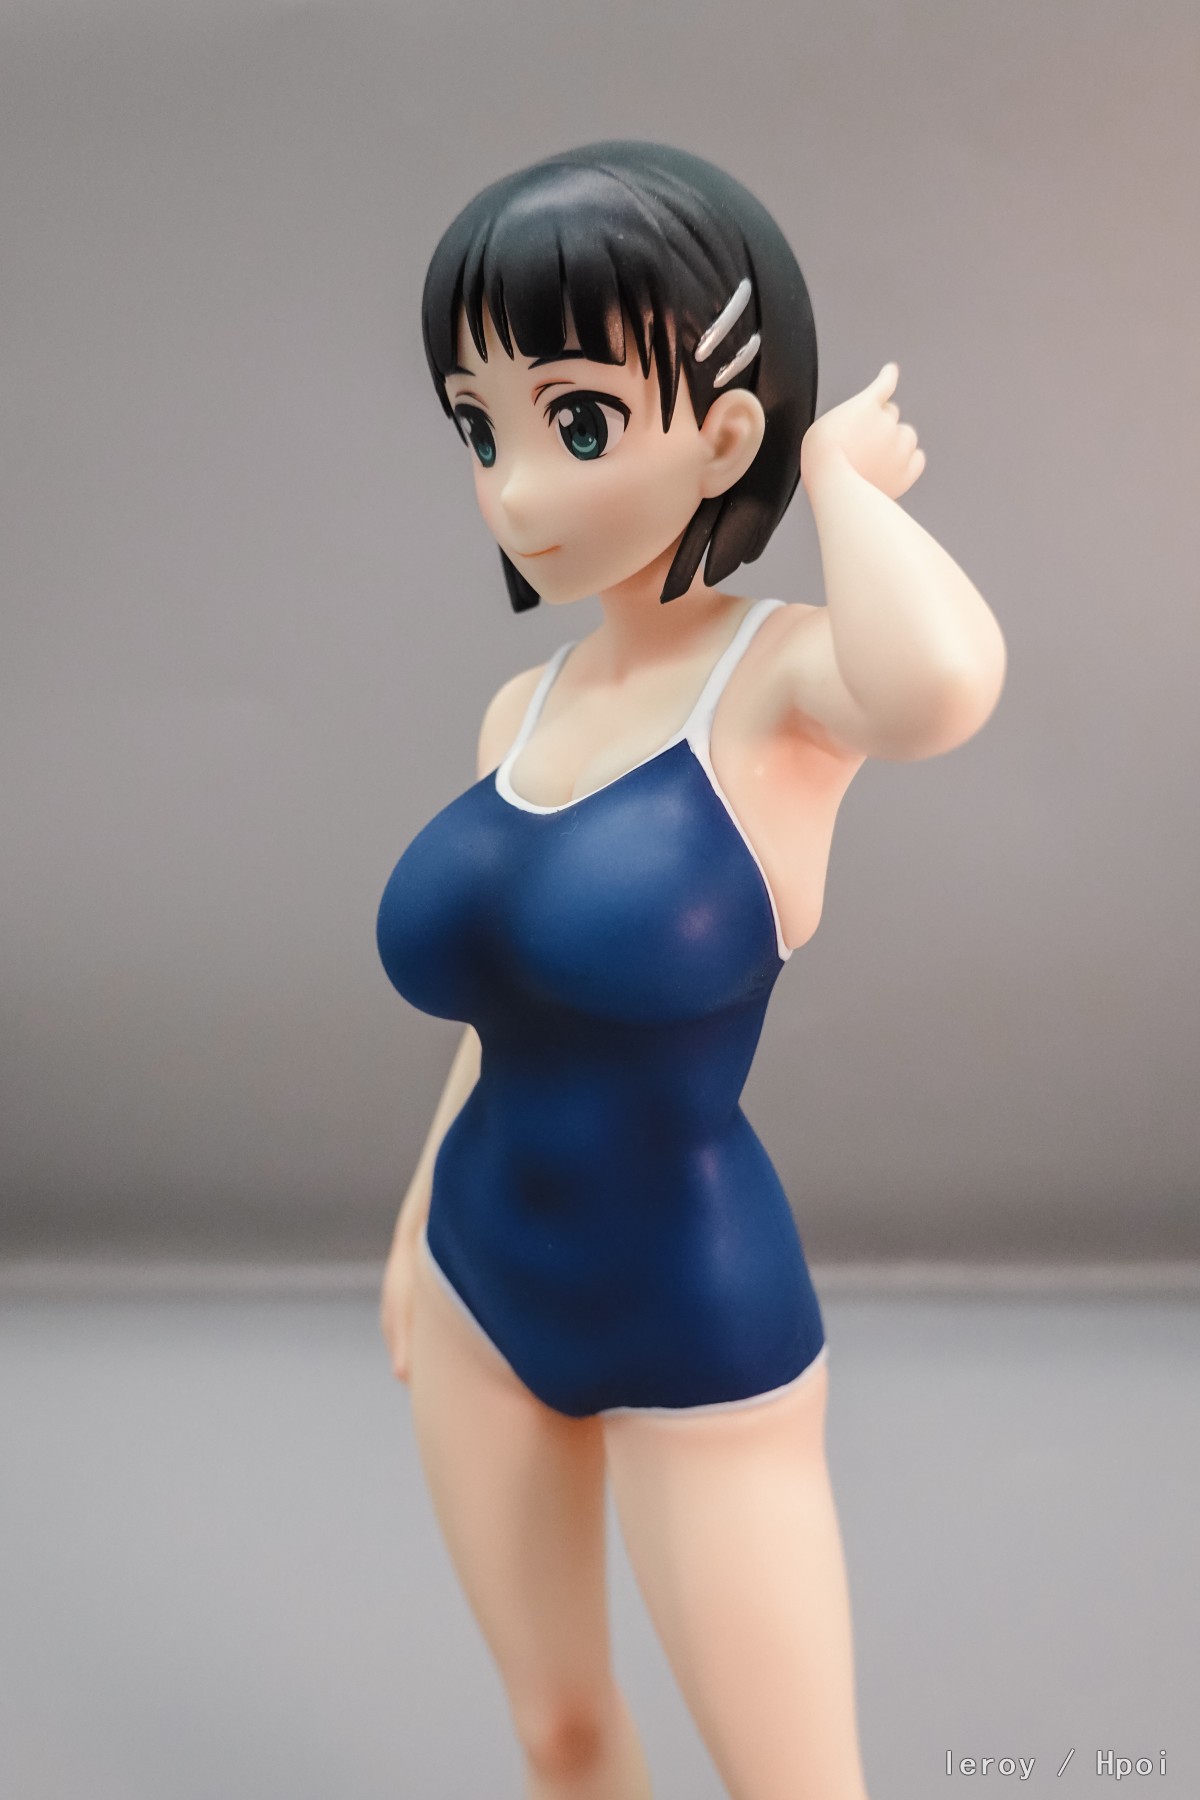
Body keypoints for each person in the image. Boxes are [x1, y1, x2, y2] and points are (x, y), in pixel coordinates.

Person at [376, 141, 1005, 1800]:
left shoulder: (783, 690)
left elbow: (942, 685)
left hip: (695, 1317)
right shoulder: (518, 715)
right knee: (562, 1736)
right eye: (480, 430)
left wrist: (843, 485)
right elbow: (506, 1018)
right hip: (475, 1277)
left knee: (795, 1782)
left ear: (724, 438)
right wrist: (412, 1219)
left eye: (576, 423)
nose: (515, 491)